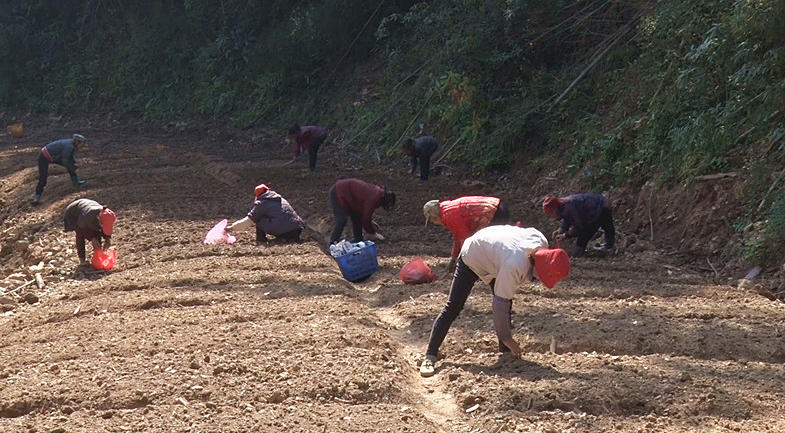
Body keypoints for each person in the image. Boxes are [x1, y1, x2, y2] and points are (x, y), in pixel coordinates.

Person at [419, 225, 570, 377]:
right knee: (454, 306)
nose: (540, 280)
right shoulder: (514, 265)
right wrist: (508, 338)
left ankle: (504, 353)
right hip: (473, 255)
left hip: (495, 255)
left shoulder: (540, 241)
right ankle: (430, 355)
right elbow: (500, 305)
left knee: (507, 302)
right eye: (542, 276)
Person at [423, 196, 510, 272]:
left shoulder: (449, 215)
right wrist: (453, 258)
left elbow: (465, 238)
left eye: (432, 220)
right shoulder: (447, 210)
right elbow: (457, 237)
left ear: (435, 215)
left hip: (495, 212)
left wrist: (461, 261)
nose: (434, 223)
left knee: (484, 243)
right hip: (497, 206)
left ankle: (489, 270)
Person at [226, 183, 305, 243]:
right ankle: (290, 237)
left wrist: (231, 228)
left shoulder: (262, 202)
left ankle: (261, 239)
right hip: (297, 229)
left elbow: (249, 221)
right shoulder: (280, 199)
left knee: (257, 217)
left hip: (284, 231)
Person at [542, 192, 615, 258]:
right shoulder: (563, 205)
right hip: (597, 205)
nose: (551, 217)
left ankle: (607, 248)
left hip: (599, 208)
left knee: (587, 233)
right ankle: (607, 246)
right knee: (606, 226)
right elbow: (567, 218)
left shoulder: (571, 207)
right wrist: (562, 229)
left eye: (550, 214)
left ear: (554, 210)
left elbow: (580, 227)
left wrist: (566, 235)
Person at [328, 178, 396, 244]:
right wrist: (372, 233)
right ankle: (333, 242)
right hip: (338, 192)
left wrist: (369, 222)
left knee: (357, 216)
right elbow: (365, 219)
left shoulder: (377, 192)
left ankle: (358, 239)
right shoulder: (374, 199)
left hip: (349, 196)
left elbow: (364, 212)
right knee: (342, 220)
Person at [34, 134, 87, 205]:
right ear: (77, 142)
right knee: (43, 178)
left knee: (71, 164)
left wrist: (73, 165)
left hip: (54, 156)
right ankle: (37, 197)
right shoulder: (69, 146)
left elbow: (69, 158)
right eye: (82, 145)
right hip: (44, 156)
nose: (82, 147)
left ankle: (75, 181)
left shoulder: (72, 144)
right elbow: (65, 161)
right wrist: (73, 167)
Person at [63, 198, 115, 265]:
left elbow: (105, 227)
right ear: (98, 219)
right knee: (80, 235)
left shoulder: (108, 215)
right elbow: (82, 230)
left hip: (88, 210)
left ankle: (98, 256)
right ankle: (82, 260)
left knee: (97, 233)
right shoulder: (87, 216)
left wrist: (107, 238)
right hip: (73, 213)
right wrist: (92, 238)